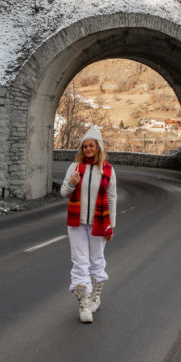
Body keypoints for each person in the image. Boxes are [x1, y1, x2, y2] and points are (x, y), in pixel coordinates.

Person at [60, 125, 117, 323]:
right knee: (80, 262)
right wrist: (72, 183)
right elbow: (63, 192)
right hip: (76, 223)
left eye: (91, 146)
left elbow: (112, 198)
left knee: (97, 260)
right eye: (85, 147)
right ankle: (84, 305)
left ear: (98, 147)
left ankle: (96, 297)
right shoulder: (74, 168)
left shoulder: (108, 170)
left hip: (99, 223)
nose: (88, 149)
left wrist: (111, 225)